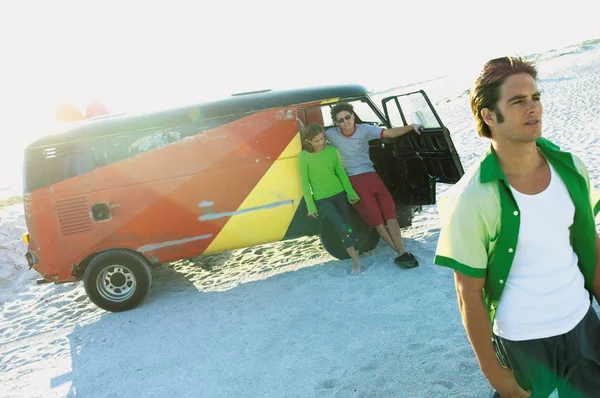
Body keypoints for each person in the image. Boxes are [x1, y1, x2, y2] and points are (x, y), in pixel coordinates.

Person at [433, 56, 600, 398]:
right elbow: (468, 293)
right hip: (525, 341)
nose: (533, 108)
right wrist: (493, 373)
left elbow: (590, 246)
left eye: (536, 98)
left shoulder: (572, 168)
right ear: (489, 115)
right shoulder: (471, 198)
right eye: (518, 101)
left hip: (583, 324)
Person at [325, 102, 421, 268]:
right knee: (376, 219)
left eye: (347, 117)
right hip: (354, 181)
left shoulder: (365, 129)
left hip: (372, 176)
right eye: (341, 120)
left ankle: (402, 251)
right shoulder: (331, 134)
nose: (346, 122)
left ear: (353, 116)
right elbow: (312, 136)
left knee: (390, 214)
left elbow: (389, 133)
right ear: (336, 122)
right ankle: (400, 253)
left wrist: (411, 126)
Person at [298, 123, 362, 274]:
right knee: (340, 225)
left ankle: (356, 253)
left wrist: (350, 192)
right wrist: (310, 205)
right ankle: (355, 261)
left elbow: (340, 172)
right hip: (322, 198)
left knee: (349, 223)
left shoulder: (332, 151)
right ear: (308, 141)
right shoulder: (304, 157)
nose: (321, 143)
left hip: (339, 192)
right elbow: (304, 182)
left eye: (322, 139)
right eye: (317, 141)